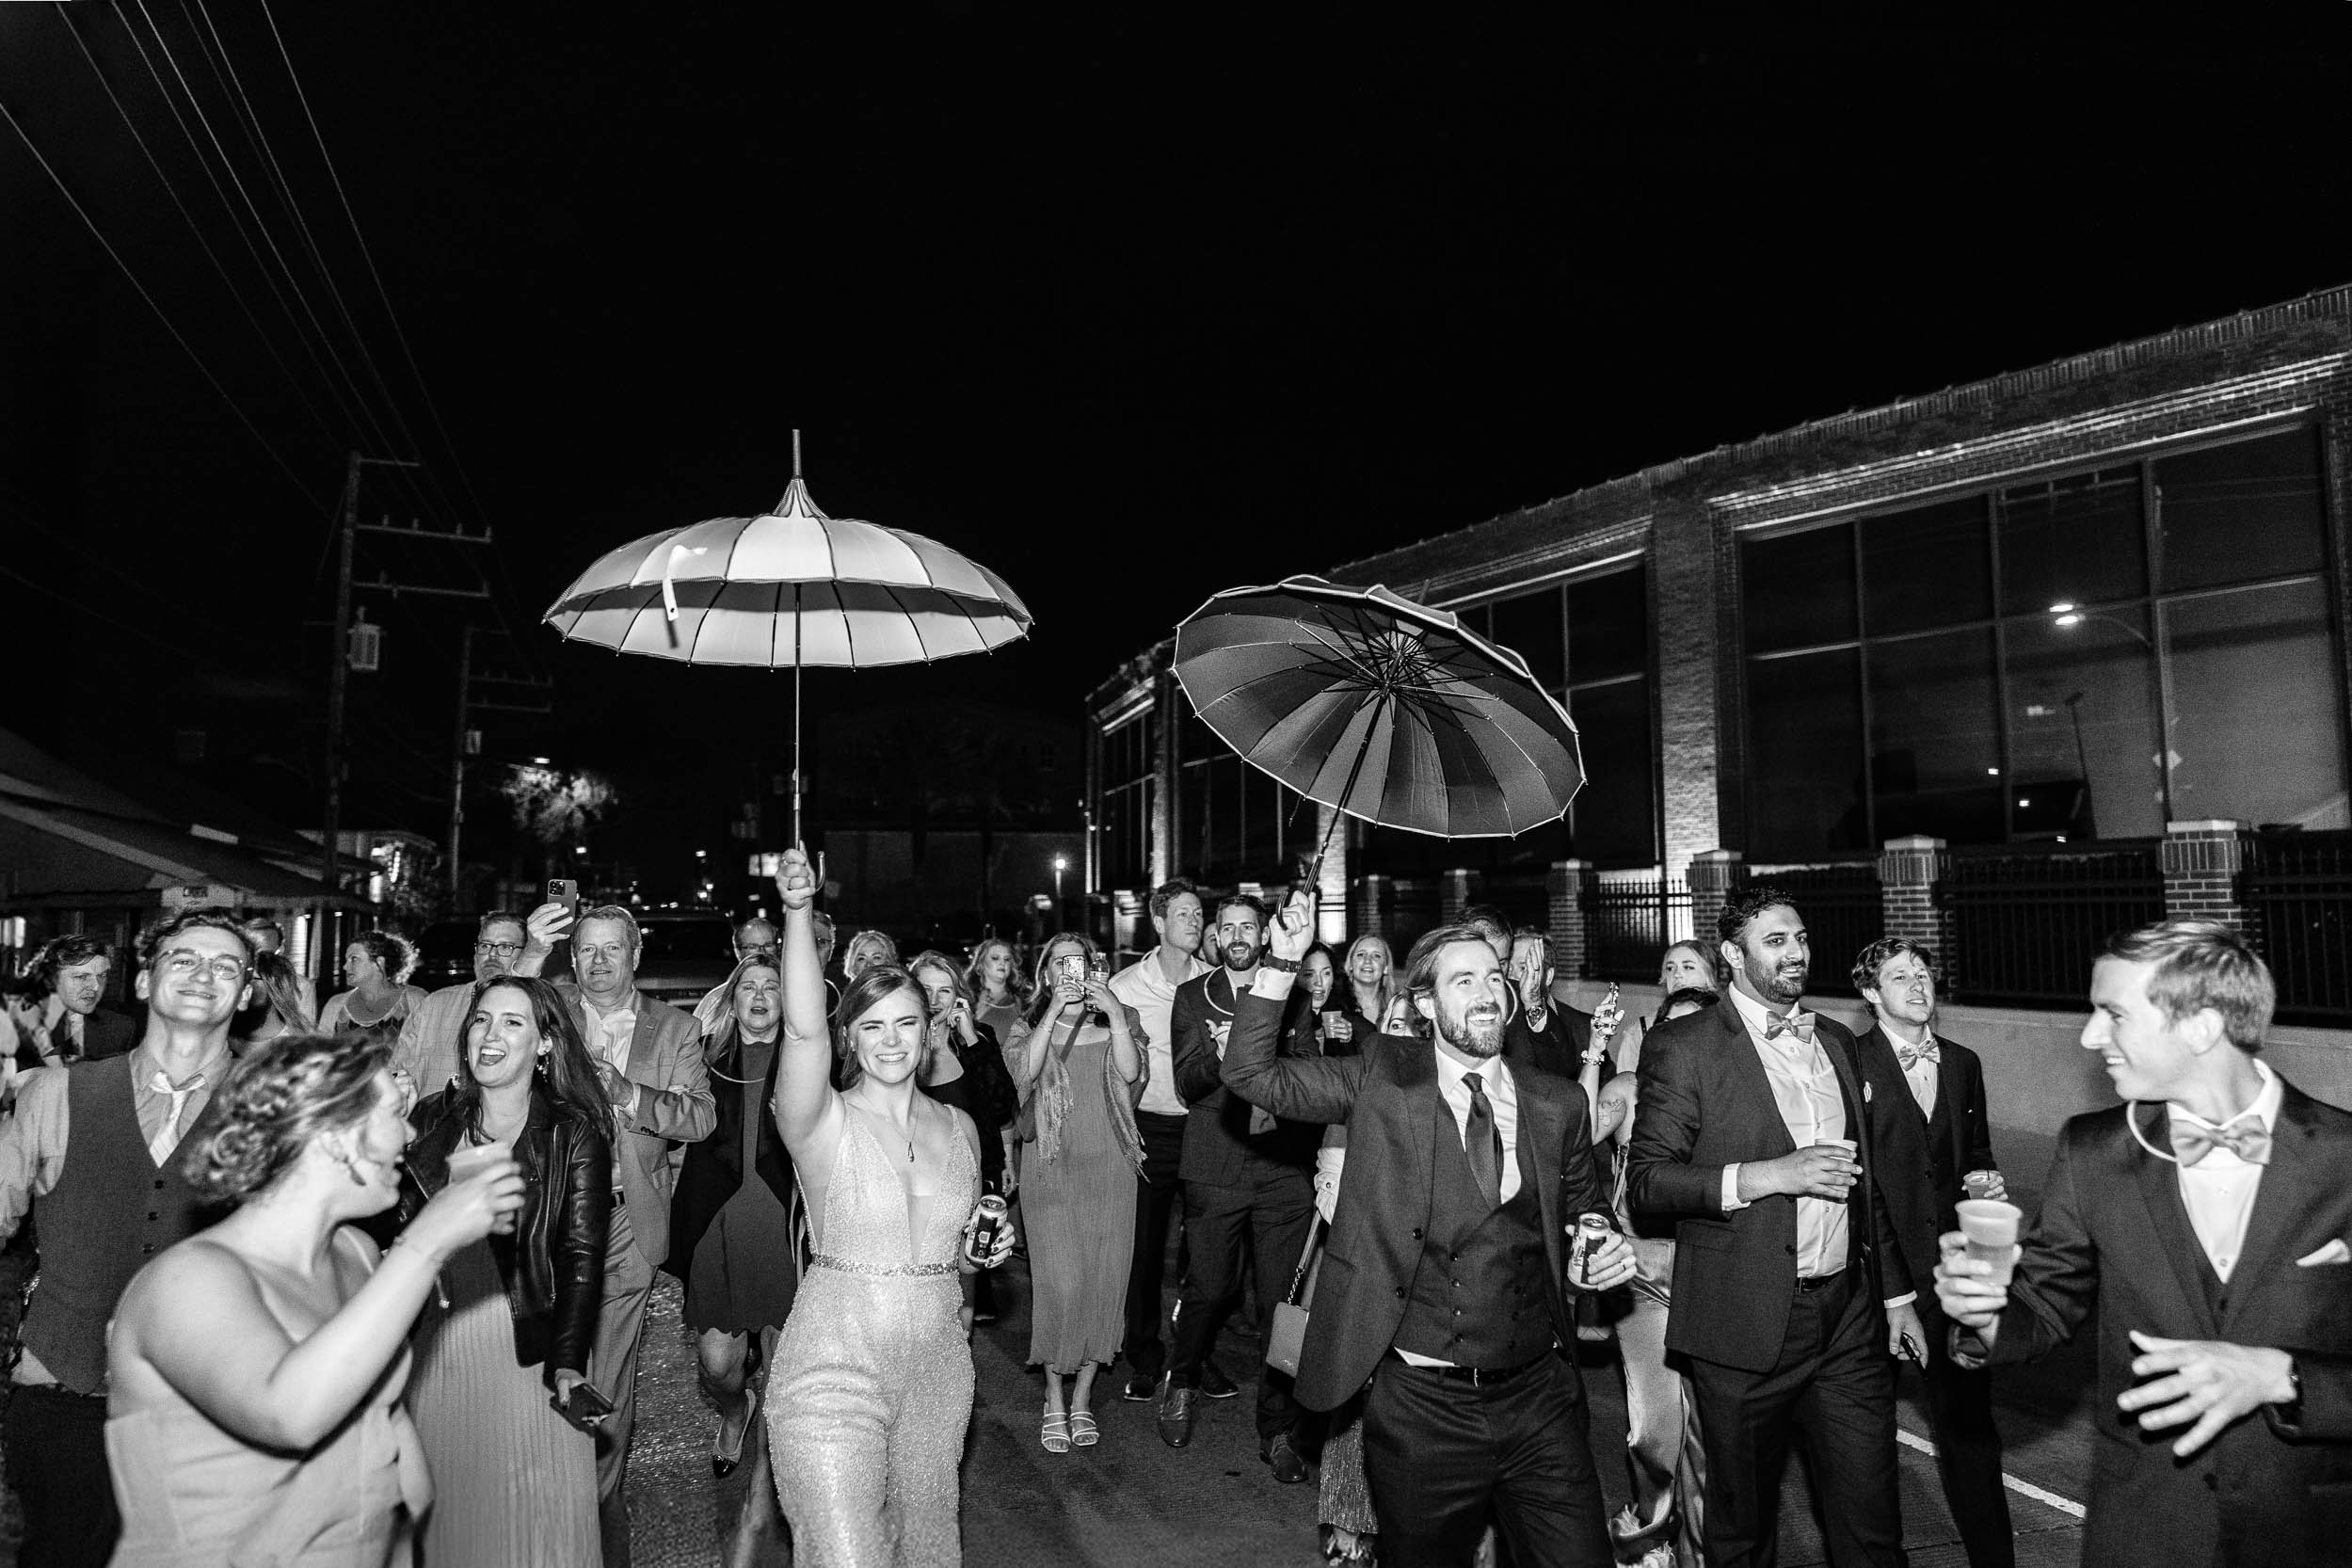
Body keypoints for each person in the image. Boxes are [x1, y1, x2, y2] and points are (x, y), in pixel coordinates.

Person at [1220, 894, 1637, 1566]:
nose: (1484, 992)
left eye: (1493, 977)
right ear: (1423, 1003)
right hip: (1421, 1406)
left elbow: (1585, 1212)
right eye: (1461, 979)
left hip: (1539, 1401)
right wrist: (1279, 963)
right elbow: (1248, 1074)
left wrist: (1601, 1248)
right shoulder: (1381, 1081)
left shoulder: (1556, 1103)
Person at [1936, 920, 2352, 1568]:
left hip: (2312, 1535)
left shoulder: (2344, 1161)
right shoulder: (2092, 1151)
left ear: (2201, 1026)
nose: (2088, 1036)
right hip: (2144, 1534)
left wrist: (2283, 1378)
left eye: (2112, 1014)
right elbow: (2043, 1310)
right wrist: (1983, 1313)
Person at [104, 1030, 525, 1566]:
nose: (411, 1131)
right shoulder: (187, 1280)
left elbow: (385, 1421)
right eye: (395, 1113)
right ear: (333, 1137)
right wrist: (427, 1244)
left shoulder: (356, 1252)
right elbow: (289, 1414)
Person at [1624, 887, 1918, 1568]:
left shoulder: (1837, 1041)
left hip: (1847, 1319)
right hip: (1743, 1323)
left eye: (1801, 938)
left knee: (1872, 1522)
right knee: (1742, 1531)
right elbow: (1648, 1181)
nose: (1796, 953)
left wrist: (1896, 1297)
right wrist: (1769, 1175)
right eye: (1775, 942)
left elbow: (1862, 1181)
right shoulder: (1683, 1045)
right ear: (1731, 954)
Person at [762, 847, 1014, 1567]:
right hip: (831, 1367)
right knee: (848, 1554)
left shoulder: (960, 1129)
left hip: (937, 1370)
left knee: (926, 1552)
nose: (891, 1041)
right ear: (850, 1037)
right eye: (871, 1026)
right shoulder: (819, 1123)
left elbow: (957, 1259)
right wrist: (799, 911)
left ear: (929, 1029)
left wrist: (981, 1251)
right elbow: (802, 1029)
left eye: (905, 1023)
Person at [0, 911, 257, 1568]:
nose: (205, 975)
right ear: (144, 983)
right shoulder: (56, 1093)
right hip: (65, 1391)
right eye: (184, 959)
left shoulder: (272, 1109)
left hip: (208, 1402)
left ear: (247, 994)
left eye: (226, 967)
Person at [401, 976, 611, 1567]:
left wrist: (569, 1359)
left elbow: (580, 1256)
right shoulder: (428, 1119)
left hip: (533, 1348)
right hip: (438, 1345)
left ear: (545, 1043)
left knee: (538, 1531)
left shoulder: (574, 1131)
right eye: (481, 1020)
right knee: (453, 1525)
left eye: (512, 1022)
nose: (490, 1035)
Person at [543, 902, 715, 1566]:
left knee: (607, 1373)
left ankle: (593, 1516)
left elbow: (699, 1118)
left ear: (635, 955)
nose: (598, 961)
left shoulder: (673, 1028)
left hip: (622, 1218)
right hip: (545, 1216)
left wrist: (628, 1093)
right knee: (540, 1361)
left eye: (612, 949)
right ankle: (539, 1499)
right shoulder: (547, 1009)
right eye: (586, 949)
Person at [1848, 937, 2011, 1568]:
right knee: (1863, 1448)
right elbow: (1857, 1182)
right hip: (1872, 1286)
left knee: (1971, 1437)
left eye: (1922, 974)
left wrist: (1983, 1182)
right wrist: (1890, 1287)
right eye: (1898, 977)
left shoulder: (1964, 1064)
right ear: (1870, 993)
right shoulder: (1846, 1061)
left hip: (1951, 1281)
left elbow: (1975, 1155)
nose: (1917, 986)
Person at [1160, 893, 1320, 1480]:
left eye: (1247, 926)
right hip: (1217, 1162)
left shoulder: (1296, 997)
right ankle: (1181, 1379)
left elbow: (1309, 1070)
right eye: (1225, 927)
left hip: (1280, 1169)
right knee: (1209, 1287)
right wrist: (1223, 1059)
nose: (1235, 935)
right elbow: (1184, 1083)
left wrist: (1269, 1053)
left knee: (1279, 1302)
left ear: (1263, 934)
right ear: (1215, 938)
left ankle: (1278, 1430)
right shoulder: (1192, 997)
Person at [666, 952, 799, 1517]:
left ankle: (784, 1458)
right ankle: (732, 1410)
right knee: (718, 1364)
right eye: (750, 986)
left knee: (786, 1367)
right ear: (732, 996)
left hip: (787, 1227)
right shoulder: (703, 1058)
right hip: (716, 1227)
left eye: (773, 986)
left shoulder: (809, 1059)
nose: (761, 996)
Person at [1007, 934, 1145, 1450]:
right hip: (1051, 1170)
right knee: (1061, 1286)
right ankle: (1054, 1396)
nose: (1071, 971)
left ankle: (1082, 1397)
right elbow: (1024, 1073)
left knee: (1102, 1284)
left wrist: (1111, 1010)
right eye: (1060, 964)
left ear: (1094, 968)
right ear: (1046, 975)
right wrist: (1052, 1015)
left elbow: (1132, 1075)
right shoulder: (1028, 1026)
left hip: (1112, 1167)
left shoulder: (1119, 1017)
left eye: (1079, 963)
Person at [1597, 984, 1717, 1568]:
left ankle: (1698, 1549)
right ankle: (1648, 1534)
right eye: (1676, 1032)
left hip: (1718, 1277)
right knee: (1658, 1427)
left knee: (1717, 1434)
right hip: (1645, 1277)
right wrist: (1594, 1054)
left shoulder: (1733, 1098)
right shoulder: (1627, 1094)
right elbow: (1566, 1140)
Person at [1104, 876, 1211, 1401]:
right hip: (1148, 1126)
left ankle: (1194, 1356)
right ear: (1160, 921)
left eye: (1198, 913)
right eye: (1185, 913)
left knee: (1206, 1252)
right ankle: (1143, 1354)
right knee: (1144, 1249)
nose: (1195, 921)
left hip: (1205, 1128)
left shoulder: (1216, 983)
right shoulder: (1125, 987)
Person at [911, 950, 1019, 1325]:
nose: (935, 1001)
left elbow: (1002, 1103)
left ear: (959, 996)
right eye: (925, 989)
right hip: (915, 1181)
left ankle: (957, 1366)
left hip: (970, 1180)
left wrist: (971, 1039)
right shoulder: (900, 1043)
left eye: (945, 991)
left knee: (963, 1289)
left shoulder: (977, 1038)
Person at [396, 910, 534, 1095]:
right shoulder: (434, 1006)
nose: (492, 955)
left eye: (505, 947)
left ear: (526, 954)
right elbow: (397, 1074)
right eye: (485, 946)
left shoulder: (534, 1009)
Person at [4, 936, 135, 1077]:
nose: (96, 987)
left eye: (102, 976)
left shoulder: (121, 1029)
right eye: (81, 977)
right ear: (51, 980)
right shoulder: (19, 1029)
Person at [1608, 941, 1720, 1077]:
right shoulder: (1641, 1030)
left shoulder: (1729, 1022)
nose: (1677, 974)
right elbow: (1625, 1088)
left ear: (1710, 974)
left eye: (1688, 967)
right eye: (1670, 968)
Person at [319, 932, 427, 1050]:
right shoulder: (336, 1005)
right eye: (347, 960)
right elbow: (320, 1054)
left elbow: (429, 1052)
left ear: (379, 962)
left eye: (354, 959)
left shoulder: (414, 1000)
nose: (345, 966)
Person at [692, 915, 783, 1032]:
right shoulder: (717, 999)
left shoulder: (794, 993)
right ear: (737, 951)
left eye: (768, 945)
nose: (762, 952)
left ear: (778, 948)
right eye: (753, 947)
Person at [238, 916, 319, 1023]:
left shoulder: (302, 987)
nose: (256, 961)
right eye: (250, 953)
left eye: (264, 955)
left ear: (280, 951)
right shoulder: (233, 982)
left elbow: (305, 1034)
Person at [232, 951, 317, 1051]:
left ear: (274, 987)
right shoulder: (223, 1041)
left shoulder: (297, 1049)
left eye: (249, 979)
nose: (241, 987)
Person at [966, 936, 1029, 1042]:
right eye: (995, 958)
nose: (1002, 963)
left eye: (1007, 959)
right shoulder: (967, 998)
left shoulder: (1023, 999)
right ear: (980, 964)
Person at [1302, 943, 1361, 1055]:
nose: (1319, 982)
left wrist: (1346, 1042)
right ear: (1296, 979)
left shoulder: (1338, 1018)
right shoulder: (1284, 1022)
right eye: (1309, 974)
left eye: (1326, 973)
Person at [1339, 934, 1395, 1043]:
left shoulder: (1397, 1009)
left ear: (1386, 968)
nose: (1367, 960)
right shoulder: (1335, 1006)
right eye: (1360, 955)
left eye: (1376, 956)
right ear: (1350, 964)